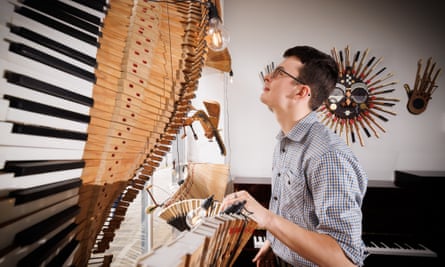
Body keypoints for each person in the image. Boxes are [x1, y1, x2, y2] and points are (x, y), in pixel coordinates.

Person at [222, 45, 368, 267]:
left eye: (279, 73)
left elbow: (344, 261)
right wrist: (276, 244)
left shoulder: (328, 155)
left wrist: (267, 219)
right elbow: (296, 215)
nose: (268, 76)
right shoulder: (285, 142)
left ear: (301, 92)